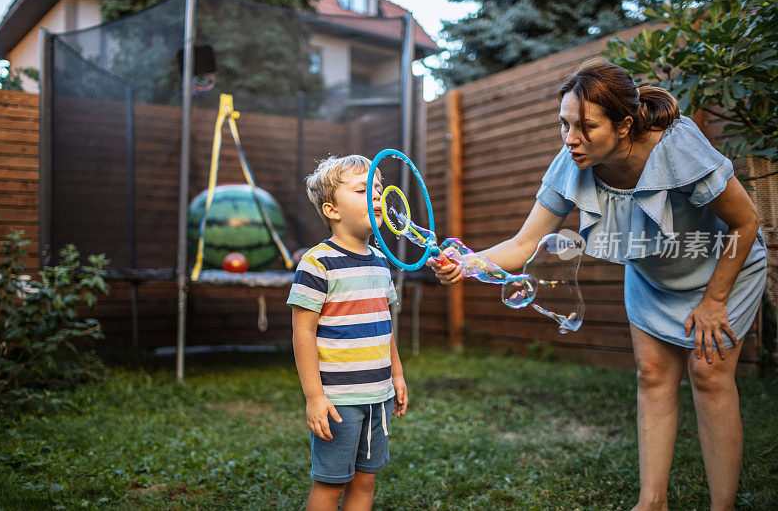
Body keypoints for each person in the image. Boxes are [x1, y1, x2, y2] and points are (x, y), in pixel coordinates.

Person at [429, 60, 767, 510]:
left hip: (724, 267)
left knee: (708, 375)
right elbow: (526, 242)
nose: (570, 139)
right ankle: (652, 503)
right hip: (652, 270)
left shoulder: (679, 147)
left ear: (625, 125)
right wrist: (468, 262)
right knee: (652, 375)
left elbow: (745, 223)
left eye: (585, 127)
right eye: (564, 124)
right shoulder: (573, 161)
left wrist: (715, 300)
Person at [287, 154, 409, 511]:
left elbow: (384, 327)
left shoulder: (381, 261)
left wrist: (397, 375)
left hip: (378, 395)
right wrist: (314, 397)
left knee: (366, 482)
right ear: (332, 210)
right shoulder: (316, 263)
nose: (376, 196)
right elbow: (302, 333)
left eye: (379, 189)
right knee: (329, 487)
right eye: (362, 189)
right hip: (338, 401)